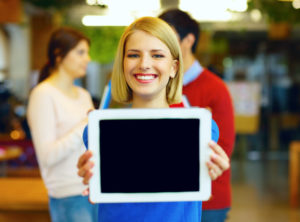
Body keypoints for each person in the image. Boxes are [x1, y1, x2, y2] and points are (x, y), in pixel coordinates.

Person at [77, 16, 230, 222]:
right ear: (122, 64)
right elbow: (106, 195)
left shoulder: (201, 129)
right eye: (133, 55)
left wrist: (209, 171)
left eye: (157, 55)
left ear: (174, 68)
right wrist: (92, 183)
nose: (144, 64)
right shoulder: (98, 130)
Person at [159, 9, 235, 222]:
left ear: (188, 40)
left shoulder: (215, 88)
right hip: (167, 198)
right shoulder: (156, 86)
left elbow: (223, 147)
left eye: (169, 35)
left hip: (208, 199)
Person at [27, 27, 98, 222]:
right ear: (59, 55)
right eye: (81, 52)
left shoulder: (83, 95)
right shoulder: (43, 94)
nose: (88, 59)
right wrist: (85, 124)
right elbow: (48, 156)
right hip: (68, 195)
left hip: (93, 189)